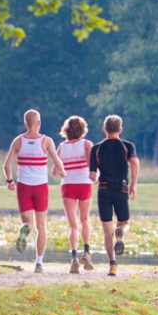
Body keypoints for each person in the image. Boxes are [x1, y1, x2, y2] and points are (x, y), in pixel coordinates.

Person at [2, 109, 65, 273]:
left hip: (23, 187)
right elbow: (57, 162)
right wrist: (64, 174)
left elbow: (7, 165)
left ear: (25, 123)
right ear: (39, 123)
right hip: (41, 187)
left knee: (28, 223)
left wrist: (10, 181)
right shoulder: (46, 141)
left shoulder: (18, 141)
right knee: (41, 225)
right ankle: (38, 263)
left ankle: (24, 230)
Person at [89, 114, 139, 277]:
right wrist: (133, 184)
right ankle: (121, 231)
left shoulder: (96, 148)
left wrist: (96, 179)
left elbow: (92, 175)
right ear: (120, 129)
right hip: (121, 189)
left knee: (106, 230)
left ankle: (112, 264)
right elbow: (134, 163)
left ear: (104, 129)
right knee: (124, 222)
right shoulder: (127, 146)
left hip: (103, 190)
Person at [57, 115, 95, 273]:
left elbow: (56, 171)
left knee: (73, 225)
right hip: (84, 184)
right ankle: (86, 253)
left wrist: (66, 169)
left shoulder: (61, 146)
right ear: (82, 129)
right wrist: (96, 177)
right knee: (84, 219)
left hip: (68, 185)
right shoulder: (87, 144)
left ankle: (74, 258)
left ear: (66, 130)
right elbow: (90, 164)